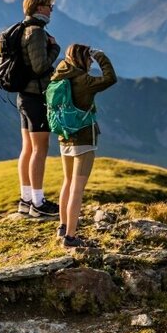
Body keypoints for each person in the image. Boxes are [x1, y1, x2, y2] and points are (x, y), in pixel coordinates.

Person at [50, 43, 117, 247]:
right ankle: (71, 237)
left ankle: (63, 227)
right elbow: (110, 78)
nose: (90, 62)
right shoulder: (84, 80)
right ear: (82, 59)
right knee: (78, 189)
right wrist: (101, 56)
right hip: (84, 139)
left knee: (67, 182)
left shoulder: (59, 76)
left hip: (64, 136)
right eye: (88, 59)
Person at [16, 0, 61, 219]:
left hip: (24, 96)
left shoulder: (23, 29)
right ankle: (38, 203)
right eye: (49, 6)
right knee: (40, 149)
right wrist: (55, 49)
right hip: (36, 97)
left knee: (27, 148)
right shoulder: (36, 33)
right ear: (40, 7)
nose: (52, 10)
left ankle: (26, 200)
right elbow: (39, 67)